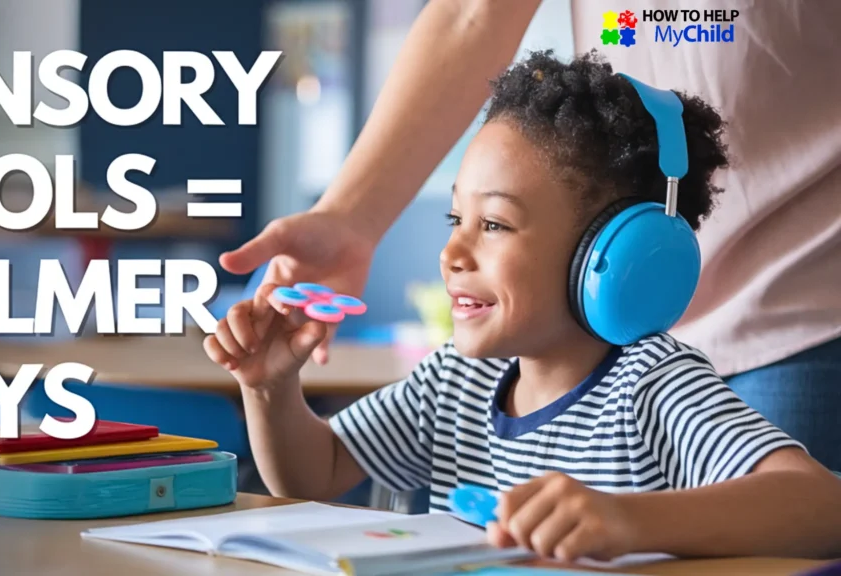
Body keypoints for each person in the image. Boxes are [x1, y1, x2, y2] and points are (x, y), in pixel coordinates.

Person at [205, 51, 841, 562]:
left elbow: (823, 508)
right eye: (458, 217)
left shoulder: (652, 386)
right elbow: (316, 473)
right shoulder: (455, 377)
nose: (452, 250)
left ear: (611, 256)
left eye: (496, 225)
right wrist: (271, 390)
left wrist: (628, 520)